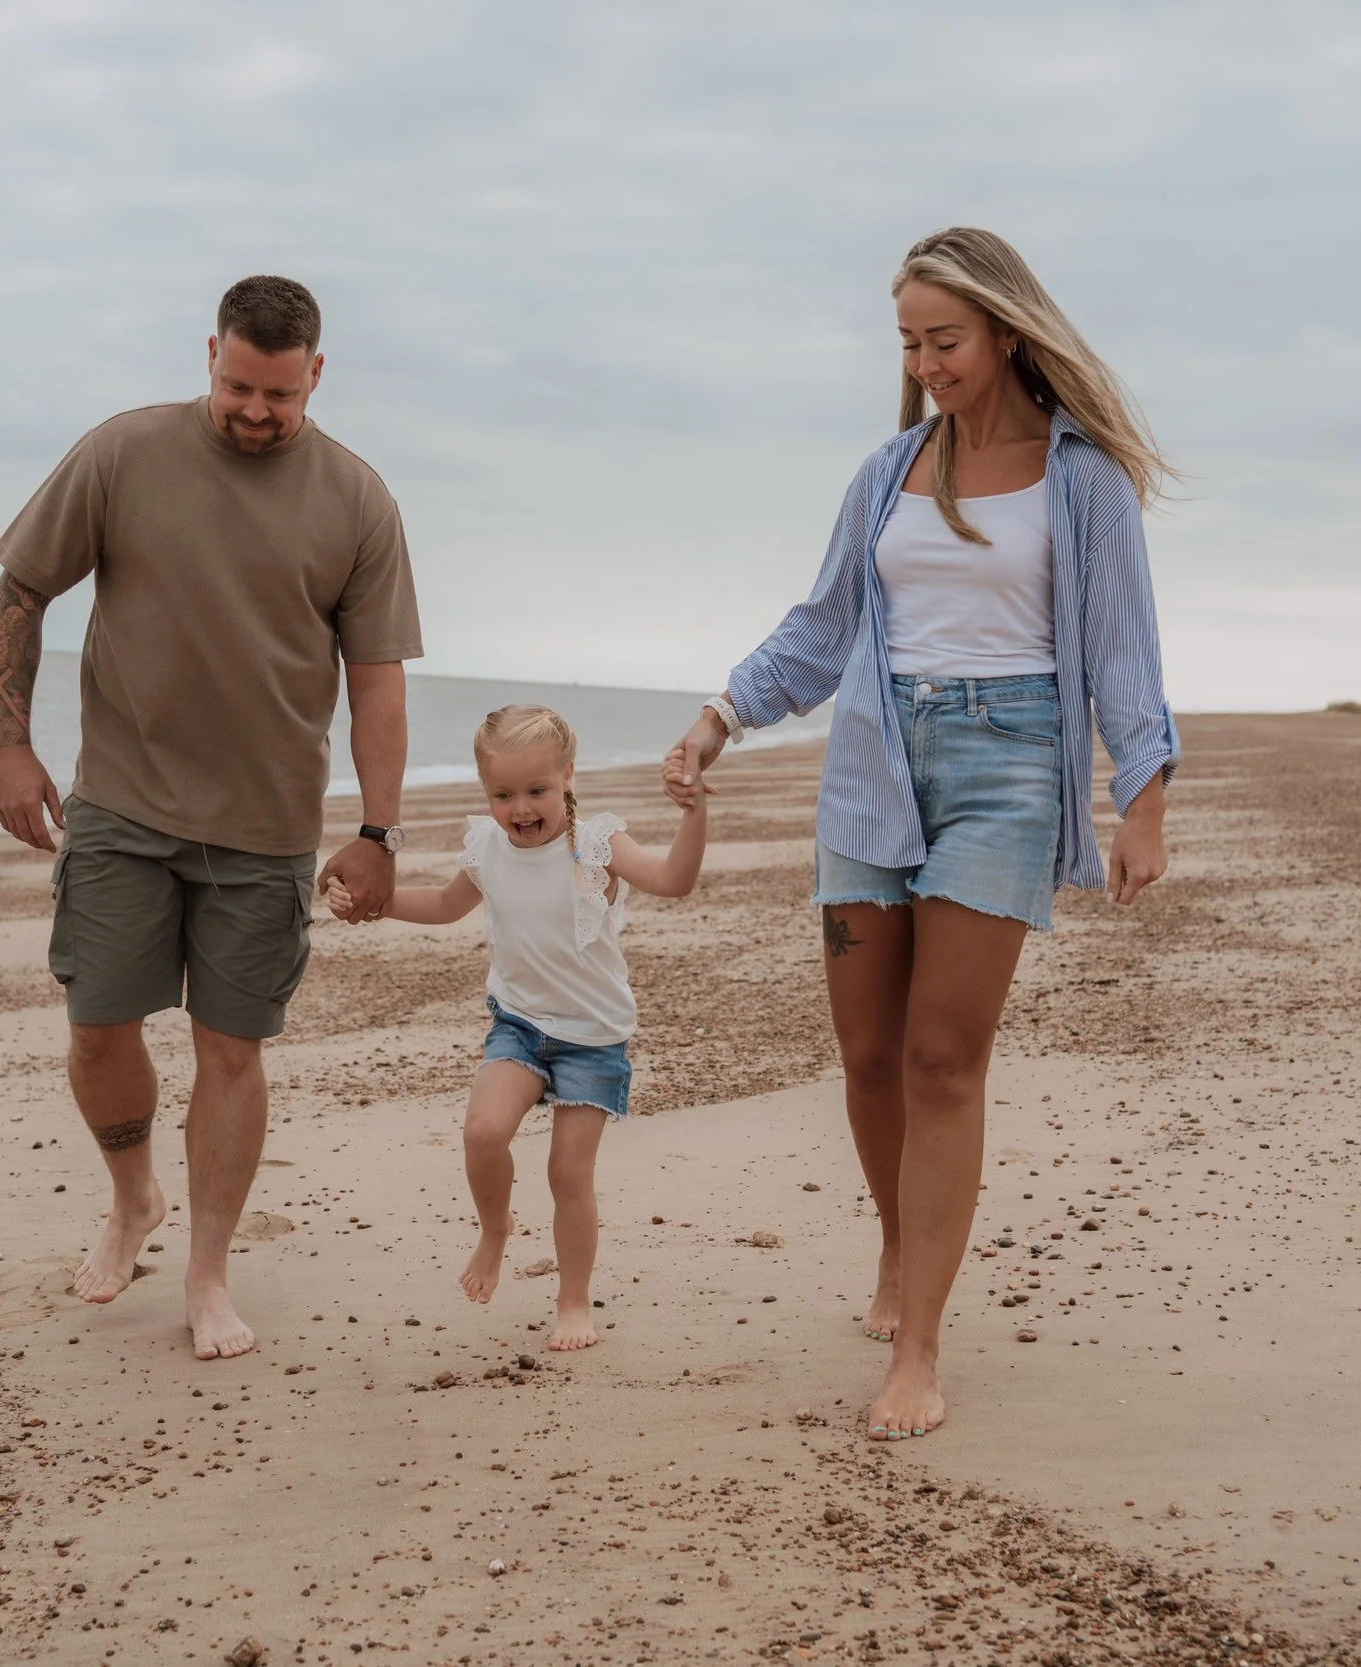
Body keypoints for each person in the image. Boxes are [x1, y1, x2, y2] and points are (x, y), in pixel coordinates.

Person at [663, 227, 1177, 1438]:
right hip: (872, 765)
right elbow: (822, 624)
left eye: (944, 338)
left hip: (1006, 771)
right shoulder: (888, 472)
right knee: (867, 1054)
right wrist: (718, 713)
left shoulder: (1081, 477)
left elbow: (1121, 645)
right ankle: (897, 1244)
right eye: (908, 341)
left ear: (1006, 330)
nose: (925, 361)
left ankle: (923, 1346)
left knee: (944, 1057)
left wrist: (1142, 793)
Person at [0, 274, 421, 1361]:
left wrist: (377, 833)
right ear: (209, 355)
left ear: (315, 374)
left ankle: (208, 1270)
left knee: (233, 1050)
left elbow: (376, 680)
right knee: (97, 1024)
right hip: (123, 803)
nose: (255, 412)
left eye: (279, 393)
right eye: (237, 386)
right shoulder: (123, 453)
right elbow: (20, 592)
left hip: (267, 830)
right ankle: (133, 1197)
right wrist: (10, 743)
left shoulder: (358, 500)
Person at [330, 705, 708, 1351]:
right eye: (502, 794)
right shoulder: (487, 846)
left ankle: (573, 1299)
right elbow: (448, 905)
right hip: (521, 1024)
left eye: (536, 790)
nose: (520, 808)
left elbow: (674, 880)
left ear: (567, 774)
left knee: (568, 1172)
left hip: (593, 1034)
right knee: (482, 1132)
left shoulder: (596, 844)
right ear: (486, 793)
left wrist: (695, 812)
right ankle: (495, 1229)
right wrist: (377, 903)